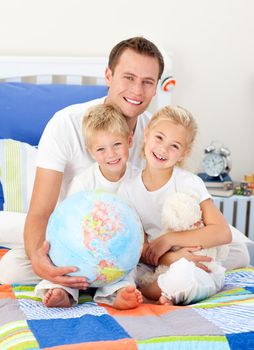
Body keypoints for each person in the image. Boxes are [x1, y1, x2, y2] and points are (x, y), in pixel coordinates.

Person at [0, 36, 250, 287]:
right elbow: (40, 212)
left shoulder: (155, 134)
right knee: (12, 269)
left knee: (239, 250)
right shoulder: (65, 124)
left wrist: (169, 245)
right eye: (128, 78)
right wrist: (37, 259)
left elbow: (158, 205)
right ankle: (151, 268)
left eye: (147, 82)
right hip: (76, 240)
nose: (137, 91)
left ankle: (146, 269)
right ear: (108, 76)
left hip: (134, 241)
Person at [118, 105, 232, 305]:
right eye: (159, 138)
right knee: (122, 269)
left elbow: (223, 233)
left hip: (196, 265)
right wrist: (172, 258)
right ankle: (156, 293)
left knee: (185, 277)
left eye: (175, 146)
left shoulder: (189, 183)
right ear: (146, 134)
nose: (163, 149)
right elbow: (141, 248)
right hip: (155, 265)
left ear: (184, 153)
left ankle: (163, 292)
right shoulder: (128, 189)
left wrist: (170, 239)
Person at [34, 103, 143, 309]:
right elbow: (71, 220)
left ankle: (117, 294)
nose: (111, 154)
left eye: (117, 145)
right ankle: (63, 293)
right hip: (82, 246)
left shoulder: (139, 179)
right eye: (101, 149)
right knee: (63, 267)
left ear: (130, 141)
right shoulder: (84, 182)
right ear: (91, 152)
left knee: (130, 269)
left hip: (117, 252)